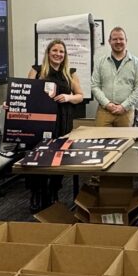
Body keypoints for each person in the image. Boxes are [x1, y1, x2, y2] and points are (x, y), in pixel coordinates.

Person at [27, 39, 84, 211]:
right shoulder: (36, 71)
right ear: (48, 52)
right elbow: (26, 93)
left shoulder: (70, 73)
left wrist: (68, 97)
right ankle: (37, 195)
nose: (58, 54)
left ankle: (54, 193)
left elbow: (80, 95)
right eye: (55, 51)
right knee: (39, 158)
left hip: (63, 121)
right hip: (41, 121)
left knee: (58, 158)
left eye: (61, 51)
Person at [91, 26, 138, 127]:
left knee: (125, 142)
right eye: (114, 39)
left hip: (126, 112)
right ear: (109, 41)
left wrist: (123, 106)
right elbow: (94, 86)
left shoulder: (136, 63)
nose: (118, 41)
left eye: (121, 39)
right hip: (104, 111)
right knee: (100, 141)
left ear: (126, 41)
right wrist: (107, 104)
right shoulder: (101, 62)